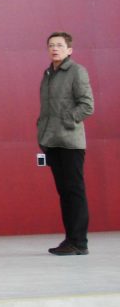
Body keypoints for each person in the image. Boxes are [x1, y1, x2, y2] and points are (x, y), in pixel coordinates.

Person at [38, 32, 95, 256]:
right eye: (51, 45)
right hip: (52, 141)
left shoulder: (76, 72)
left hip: (70, 142)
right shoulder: (48, 74)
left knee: (74, 192)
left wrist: (66, 119)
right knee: (65, 192)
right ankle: (70, 239)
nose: (55, 49)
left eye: (60, 45)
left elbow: (87, 105)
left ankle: (79, 242)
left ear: (69, 50)